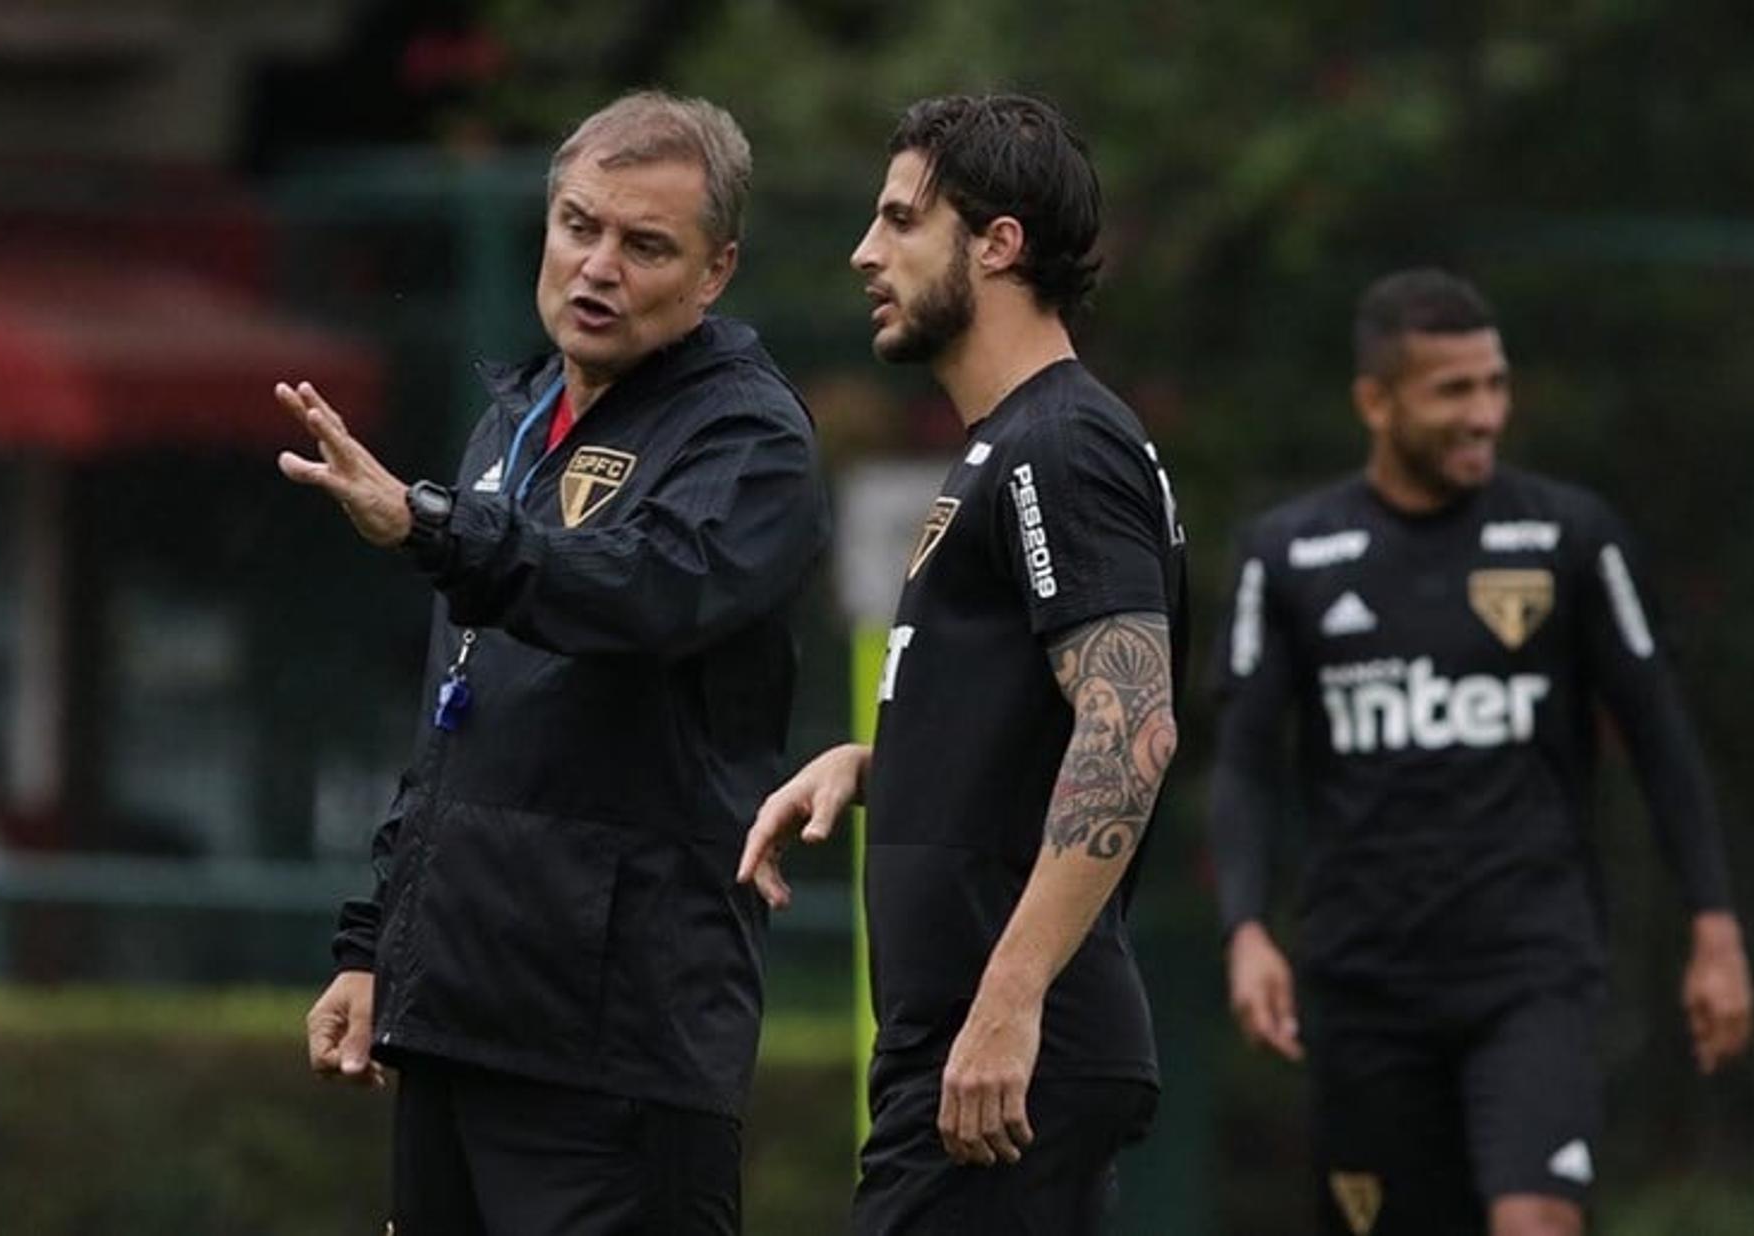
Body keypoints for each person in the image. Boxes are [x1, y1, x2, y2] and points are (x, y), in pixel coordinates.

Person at [279, 90, 829, 1235]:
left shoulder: (750, 439)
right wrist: (379, 944)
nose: (599, 266)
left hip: (618, 1052)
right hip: (462, 1020)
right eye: (580, 226)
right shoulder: (515, 422)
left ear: (716, 271)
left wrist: (436, 530)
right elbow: (458, 722)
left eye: (645, 245)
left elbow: (638, 591)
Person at [1208, 268, 1754, 1236]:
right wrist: (1246, 927)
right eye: (1453, 390)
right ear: (1376, 402)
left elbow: (1661, 739)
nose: (1485, 414)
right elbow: (1246, 763)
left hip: (1530, 967)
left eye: (1495, 385)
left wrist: (1714, 926)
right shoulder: (1288, 555)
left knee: (1535, 1216)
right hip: (1363, 978)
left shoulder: (1569, 538)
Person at [738, 94, 1187, 1234]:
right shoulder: (1004, 450)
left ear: (998, 244)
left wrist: (1008, 998)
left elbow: (1130, 729)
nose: (864, 252)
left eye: (900, 220)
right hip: (979, 1052)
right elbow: (1038, 719)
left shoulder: (1062, 445)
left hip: (1007, 1052)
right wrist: (881, 760)